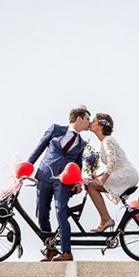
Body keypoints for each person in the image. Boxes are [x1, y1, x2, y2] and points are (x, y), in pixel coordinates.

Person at [28, 106, 91, 261]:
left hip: (64, 181)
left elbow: (78, 165)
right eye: (87, 119)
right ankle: (50, 248)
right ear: (79, 119)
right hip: (44, 175)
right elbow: (39, 148)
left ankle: (66, 252)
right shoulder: (56, 129)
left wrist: (78, 182)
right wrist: (26, 168)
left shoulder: (81, 143)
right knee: (41, 213)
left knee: (60, 211)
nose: (89, 123)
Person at [86, 113, 139, 232]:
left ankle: (105, 219)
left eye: (93, 121)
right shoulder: (106, 141)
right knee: (92, 184)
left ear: (100, 126)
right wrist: (98, 176)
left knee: (91, 187)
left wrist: (102, 180)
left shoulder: (107, 140)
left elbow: (112, 161)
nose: (90, 123)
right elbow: (113, 165)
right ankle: (104, 220)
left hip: (126, 174)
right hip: (126, 173)